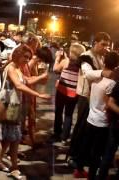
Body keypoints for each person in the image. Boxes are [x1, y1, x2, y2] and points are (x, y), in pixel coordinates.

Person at [0, 44, 50, 179]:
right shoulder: (11, 67)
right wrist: (39, 95)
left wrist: (41, 77)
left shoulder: (17, 68)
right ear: (18, 54)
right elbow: (19, 85)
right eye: (25, 57)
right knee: (14, 139)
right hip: (9, 106)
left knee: (9, 138)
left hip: (14, 107)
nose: (27, 60)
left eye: (29, 58)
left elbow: (26, 80)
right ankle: (14, 168)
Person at [68, 32, 111, 178]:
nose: (105, 48)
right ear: (95, 43)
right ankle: (73, 157)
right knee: (81, 127)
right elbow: (87, 74)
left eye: (107, 45)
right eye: (103, 44)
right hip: (85, 97)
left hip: (94, 97)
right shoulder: (86, 56)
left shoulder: (101, 57)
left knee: (88, 131)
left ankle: (82, 158)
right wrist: (104, 73)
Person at [78, 52, 119, 180]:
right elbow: (108, 104)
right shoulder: (111, 83)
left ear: (104, 61)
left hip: (91, 117)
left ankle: (80, 170)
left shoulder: (96, 77)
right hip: (102, 122)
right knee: (97, 153)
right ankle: (92, 176)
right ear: (116, 64)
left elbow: (90, 95)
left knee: (87, 147)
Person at [53, 43, 86, 142]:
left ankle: (57, 133)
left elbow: (55, 69)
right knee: (69, 114)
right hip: (73, 93)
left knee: (58, 111)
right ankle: (65, 136)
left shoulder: (65, 62)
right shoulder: (82, 65)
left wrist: (57, 58)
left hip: (62, 90)